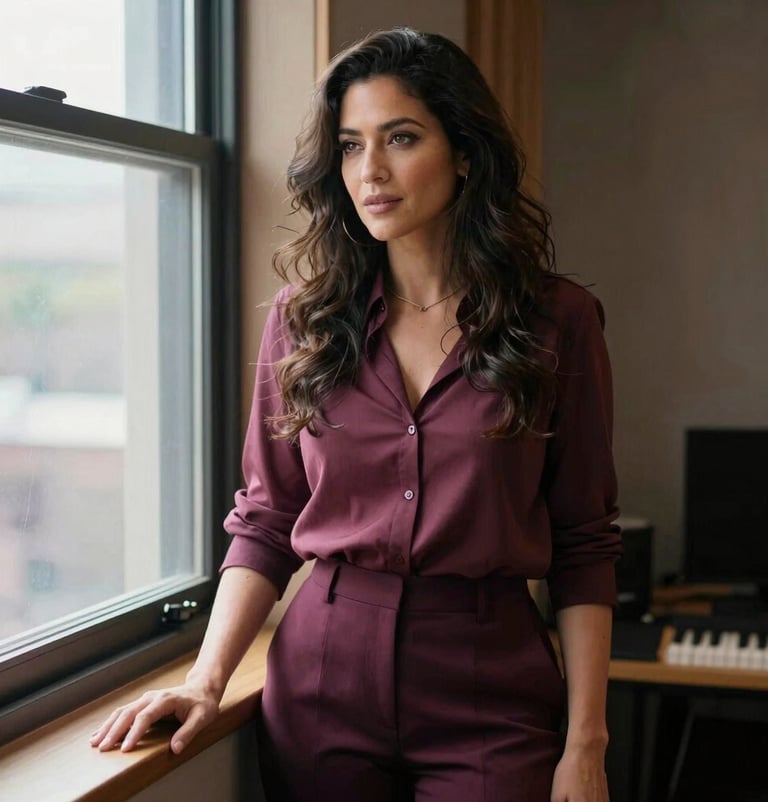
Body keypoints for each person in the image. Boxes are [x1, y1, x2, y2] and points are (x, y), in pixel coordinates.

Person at [91, 28, 621, 802]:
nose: (369, 171)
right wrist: (206, 681)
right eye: (349, 145)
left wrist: (587, 743)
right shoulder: (304, 322)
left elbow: (585, 540)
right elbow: (268, 518)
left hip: (490, 685)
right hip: (321, 680)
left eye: (400, 138)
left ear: (464, 151)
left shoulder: (556, 321)